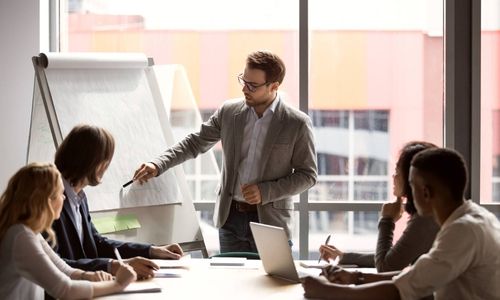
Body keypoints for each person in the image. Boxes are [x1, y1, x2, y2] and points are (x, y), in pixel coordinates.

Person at [133, 50, 318, 253]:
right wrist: (159, 164)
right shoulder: (229, 112)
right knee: (231, 280)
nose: (244, 89)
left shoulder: (296, 123)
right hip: (230, 219)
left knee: (271, 283)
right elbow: (194, 142)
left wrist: (265, 192)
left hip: (271, 223)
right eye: (243, 81)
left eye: (252, 86)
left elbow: (307, 176)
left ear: (274, 86)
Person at [302, 148, 500, 300]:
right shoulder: (474, 217)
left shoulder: (462, 231)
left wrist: (327, 290)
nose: (408, 195)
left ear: (425, 193)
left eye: (412, 186)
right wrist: (355, 277)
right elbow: (416, 275)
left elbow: (400, 290)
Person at [52, 124, 184, 280]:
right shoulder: (51, 199)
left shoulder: (79, 197)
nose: (107, 166)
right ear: (90, 160)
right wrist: (115, 266)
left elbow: (97, 243)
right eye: (106, 160)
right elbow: (56, 264)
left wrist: (152, 250)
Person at [0, 163, 136, 299]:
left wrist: (88, 276)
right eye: (61, 193)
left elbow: (64, 269)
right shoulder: (21, 236)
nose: (64, 198)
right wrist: (119, 284)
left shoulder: (27, 231)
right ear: (47, 200)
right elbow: (65, 290)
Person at [319, 141, 440, 272]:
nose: (394, 176)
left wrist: (387, 220)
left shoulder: (425, 219)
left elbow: (385, 267)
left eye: (397, 170)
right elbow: (394, 258)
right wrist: (343, 257)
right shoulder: (429, 213)